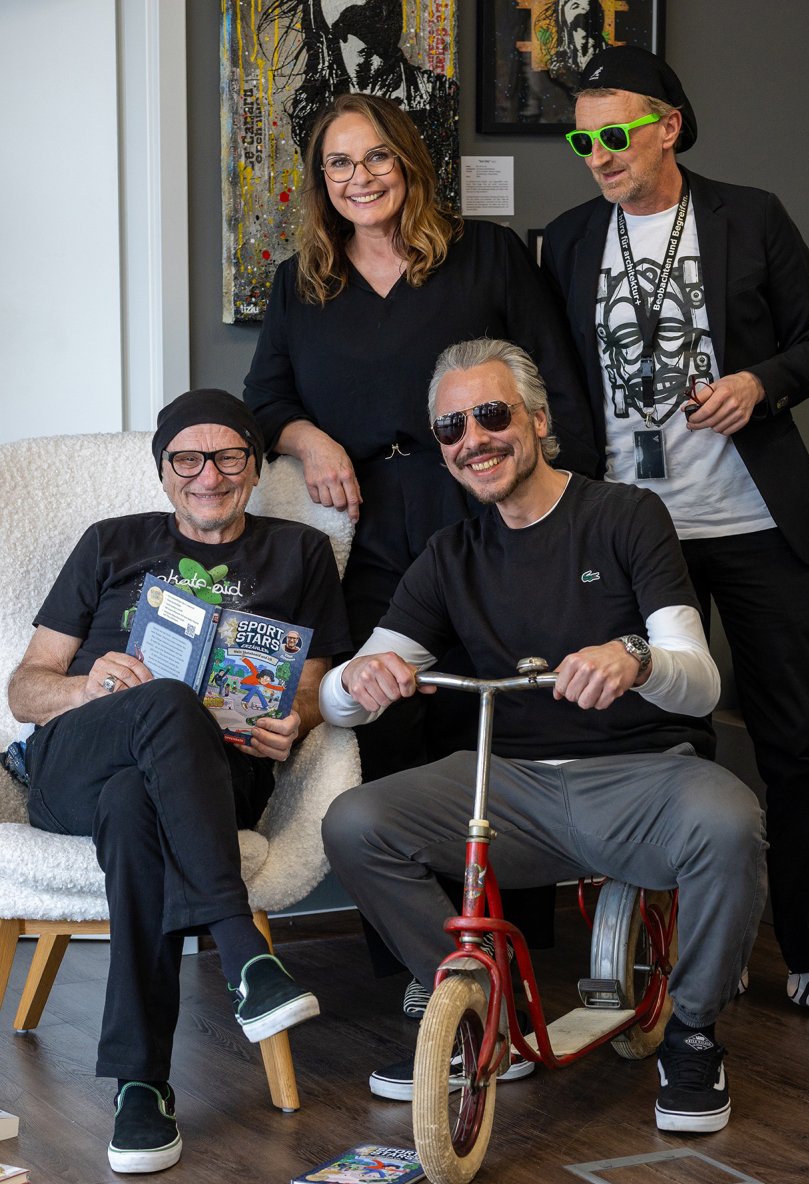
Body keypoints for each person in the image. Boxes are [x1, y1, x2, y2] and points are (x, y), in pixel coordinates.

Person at [320, 338, 767, 1132]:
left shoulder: (626, 515)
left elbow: (701, 679)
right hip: (509, 786)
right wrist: (357, 682)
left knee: (730, 819)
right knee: (355, 821)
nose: (473, 439)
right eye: (452, 427)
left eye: (491, 415)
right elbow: (340, 695)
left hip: (638, 775)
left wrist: (635, 660)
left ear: (537, 419)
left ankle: (694, 1033)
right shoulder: (452, 554)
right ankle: (482, 1009)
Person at [542, 45, 809, 1034]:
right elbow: (561, 378)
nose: (599, 155)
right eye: (582, 140)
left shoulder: (752, 216)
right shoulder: (567, 240)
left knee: (798, 744)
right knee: (664, 750)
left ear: (669, 127)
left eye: (616, 134)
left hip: (756, 520)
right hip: (635, 531)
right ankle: (698, 950)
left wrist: (759, 383)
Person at [244, 92, 598, 1002]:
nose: (359, 177)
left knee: (495, 720)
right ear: (320, 180)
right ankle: (418, 958)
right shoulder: (301, 282)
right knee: (386, 716)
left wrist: (566, 520)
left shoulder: (487, 254)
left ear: (407, 160)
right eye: (339, 163)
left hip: (483, 510)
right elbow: (264, 400)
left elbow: (556, 389)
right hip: (369, 523)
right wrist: (309, 441)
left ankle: (514, 950)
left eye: (376, 157)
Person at [7, 390, 352, 1174]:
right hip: (77, 764)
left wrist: (294, 720)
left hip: (214, 775)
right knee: (162, 700)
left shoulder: (299, 554)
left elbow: (312, 690)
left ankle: (140, 1086)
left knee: (136, 806)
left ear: (254, 467)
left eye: (228, 456)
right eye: (187, 459)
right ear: (163, 471)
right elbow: (25, 690)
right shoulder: (109, 543)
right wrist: (89, 684)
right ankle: (242, 950)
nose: (208, 475)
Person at [256, 1, 460, 204]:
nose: (361, 179)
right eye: (340, 162)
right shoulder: (313, 108)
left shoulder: (438, 94)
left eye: (380, 156)